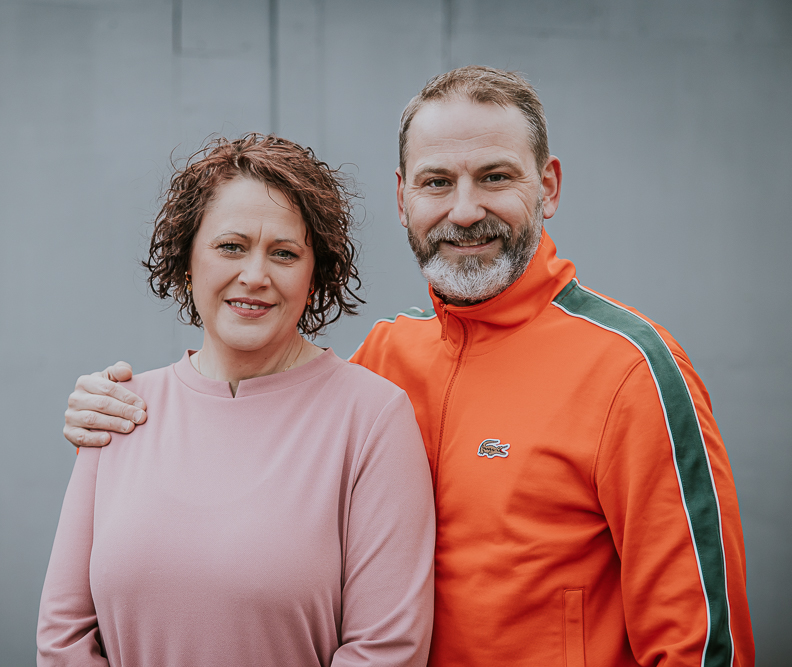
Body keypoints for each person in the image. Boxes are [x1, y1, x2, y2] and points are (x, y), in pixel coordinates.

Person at [63, 67, 755, 665]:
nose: (463, 209)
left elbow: (701, 640)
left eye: (494, 177)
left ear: (548, 186)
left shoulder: (630, 371)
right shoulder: (386, 362)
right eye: (436, 181)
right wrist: (109, 406)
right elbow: (251, 433)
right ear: (402, 199)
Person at [37, 134, 436, 666]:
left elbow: (386, 650)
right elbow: (64, 637)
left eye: (284, 253)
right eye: (231, 246)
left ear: (314, 276)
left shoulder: (372, 418)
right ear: (187, 260)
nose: (255, 276)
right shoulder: (118, 410)